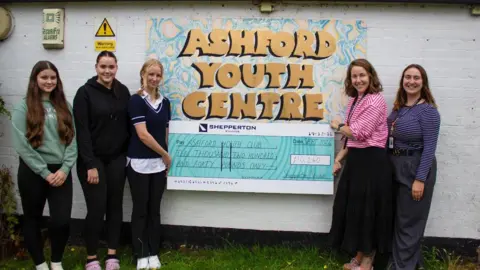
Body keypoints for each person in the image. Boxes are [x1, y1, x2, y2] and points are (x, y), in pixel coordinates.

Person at [11, 61, 77, 270]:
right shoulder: (23, 107)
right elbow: (22, 145)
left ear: (57, 80)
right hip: (33, 171)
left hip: (61, 172)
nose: (49, 81)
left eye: (52, 78)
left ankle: (56, 261)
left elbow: (74, 139)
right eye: (44, 77)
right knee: (32, 219)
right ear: (35, 80)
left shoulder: (66, 106)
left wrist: (65, 168)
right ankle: (40, 264)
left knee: (62, 220)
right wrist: (44, 172)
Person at [329, 58, 393, 270]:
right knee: (357, 210)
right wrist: (339, 158)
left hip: (372, 163)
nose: (358, 80)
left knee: (368, 211)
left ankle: (366, 263)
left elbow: (358, 132)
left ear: (371, 76)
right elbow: (352, 140)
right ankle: (358, 257)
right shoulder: (356, 100)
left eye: (362, 75)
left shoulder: (375, 101)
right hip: (358, 160)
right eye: (354, 76)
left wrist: (337, 124)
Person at [73, 51, 131, 270]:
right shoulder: (85, 93)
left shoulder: (123, 91)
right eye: (103, 66)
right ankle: (91, 257)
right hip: (93, 161)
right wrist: (90, 164)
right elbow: (83, 132)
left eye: (111, 67)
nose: (107, 71)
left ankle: (112, 255)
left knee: (115, 206)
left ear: (117, 67)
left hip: (116, 159)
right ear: (96, 67)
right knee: (97, 208)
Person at [387, 64, 440, 270]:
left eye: (416, 78)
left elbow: (430, 148)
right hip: (396, 165)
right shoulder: (399, 108)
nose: (411, 81)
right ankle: (411, 263)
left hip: (416, 167)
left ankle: (402, 267)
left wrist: (420, 179)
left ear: (423, 82)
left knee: (410, 222)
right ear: (402, 81)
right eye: (407, 77)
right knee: (400, 219)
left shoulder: (428, 111)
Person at [127, 58, 172, 269]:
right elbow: (143, 135)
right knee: (140, 210)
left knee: (155, 209)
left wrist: (165, 156)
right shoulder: (135, 101)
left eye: (157, 75)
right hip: (138, 164)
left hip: (158, 165)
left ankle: (153, 252)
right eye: (150, 74)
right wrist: (165, 154)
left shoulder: (166, 103)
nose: (154, 78)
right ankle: (140, 253)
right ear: (142, 75)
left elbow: (165, 131)